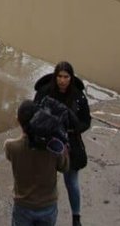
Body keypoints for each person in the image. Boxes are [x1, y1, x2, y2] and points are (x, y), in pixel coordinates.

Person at [33, 63, 92, 226]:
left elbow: (86, 122)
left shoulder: (78, 96)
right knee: (46, 182)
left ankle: (76, 217)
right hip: (48, 141)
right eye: (59, 76)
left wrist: (72, 129)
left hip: (71, 143)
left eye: (66, 77)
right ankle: (44, 216)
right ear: (55, 77)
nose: (62, 80)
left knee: (71, 182)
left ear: (71, 78)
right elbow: (34, 116)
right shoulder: (44, 93)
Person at [6, 99, 69, 226]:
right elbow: (64, 167)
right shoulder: (53, 148)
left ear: (18, 120)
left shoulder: (11, 146)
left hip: (23, 205)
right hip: (48, 205)